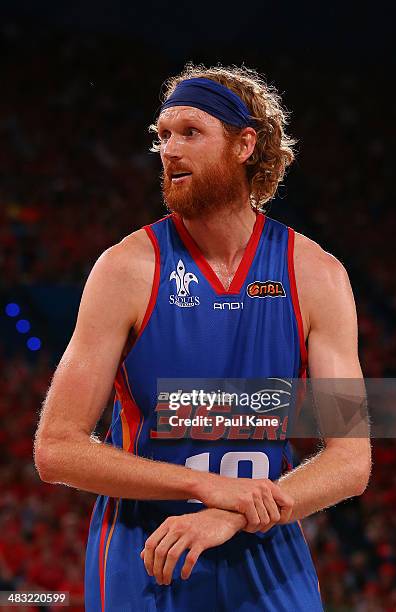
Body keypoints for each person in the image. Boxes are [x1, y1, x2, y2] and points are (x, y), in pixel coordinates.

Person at [34, 64, 371, 611]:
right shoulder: (125, 270)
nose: (169, 150)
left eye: (189, 132)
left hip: (266, 538)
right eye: (162, 136)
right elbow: (56, 449)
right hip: (146, 550)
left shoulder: (317, 274)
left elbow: (351, 461)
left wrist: (232, 512)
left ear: (244, 145)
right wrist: (201, 487)